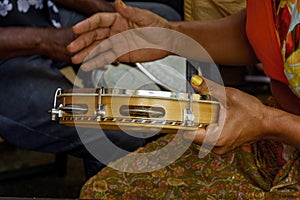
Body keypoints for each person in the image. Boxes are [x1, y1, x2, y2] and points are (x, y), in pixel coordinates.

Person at [68, 0, 300, 198]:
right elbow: (272, 31)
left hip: (278, 135)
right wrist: (171, 37)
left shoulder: (268, 123)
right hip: (271, 149)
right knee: (104, 191)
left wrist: (269, 122)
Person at [0, 0, 150, 180]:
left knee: (161, 23)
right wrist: (46, 41)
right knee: (118, 132)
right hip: (7, 60)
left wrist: (111, 12)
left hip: (43, 14)